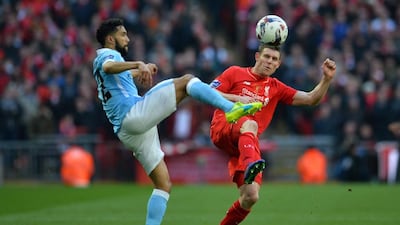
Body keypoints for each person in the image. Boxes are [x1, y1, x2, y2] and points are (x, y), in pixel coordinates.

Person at [92, 18, 262, 225]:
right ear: (110, 39)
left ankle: (233, 102)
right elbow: (109, 67)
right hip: (133, 115)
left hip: (128, 131)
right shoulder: (108, 56)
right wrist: (138, 63)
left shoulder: (108, 60)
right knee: (187, 81)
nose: (127, 38)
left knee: (163, 185)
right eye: (123, 34)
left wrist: (141, 71)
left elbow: (117, 75)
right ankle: (231, 108)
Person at [209, 43, 336, 225]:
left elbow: (311, 98)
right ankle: (251, 162)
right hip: (223, 128)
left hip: (245, 145)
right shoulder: (234, 72)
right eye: (267, 57)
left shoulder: (276, 87)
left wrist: (326, 79)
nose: (269, 62)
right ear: (257, 57)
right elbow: (207, 91)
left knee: (251, 197)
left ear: (278, 65)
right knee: (250, 123)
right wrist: (238, 99)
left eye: (274, 59)